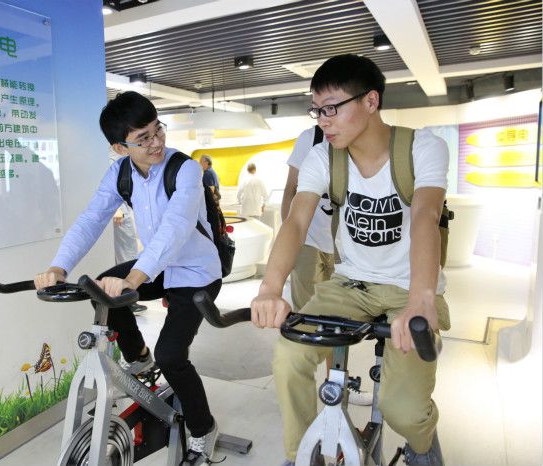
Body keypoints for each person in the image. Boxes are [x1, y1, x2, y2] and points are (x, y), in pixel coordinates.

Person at [251, 54, 450, 466]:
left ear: (370, 101)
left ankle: (423, 443)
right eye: (316, 110)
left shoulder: (422, 148)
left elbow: (426, 216)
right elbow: (296, 221)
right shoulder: (323, 157)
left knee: (403, 410)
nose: (323, 120)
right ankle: (303, 455)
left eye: (332, 108)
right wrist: (270, 288)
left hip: (408, 288)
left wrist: (421, 298)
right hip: (351, 283)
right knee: (289, 357)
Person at [35, 91, 222, 466]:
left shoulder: (185, 169)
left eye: (158, 130)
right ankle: (139, 358)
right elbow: (91, 219)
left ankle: (204, 430)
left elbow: (176, 228)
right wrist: (58, 267)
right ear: (120, 147)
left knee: (172, 355)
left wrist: (135, 277)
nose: (156, 142)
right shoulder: (119, 173)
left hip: (196, 272)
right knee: (101, 287)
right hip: (159, 268)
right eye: (143, 138)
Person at [282, 127, 372, 407]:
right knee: (306, 318)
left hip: (343, 244)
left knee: (340, 318)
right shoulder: (310, 139)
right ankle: (300, 388)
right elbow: (291, 189)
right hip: (308, 240)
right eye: (319, 110)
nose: (325, 116)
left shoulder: (359, 139)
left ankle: (337, 383)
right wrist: (289, 240)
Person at [109, 149, 147, 314]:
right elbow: (111, 190)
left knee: (130, 251)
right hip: (121, 215)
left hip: (128, 212)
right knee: (126, 255)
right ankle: (127, 299)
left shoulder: (125, 158)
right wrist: (118, 210)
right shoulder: (112, 160)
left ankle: (127, 298)